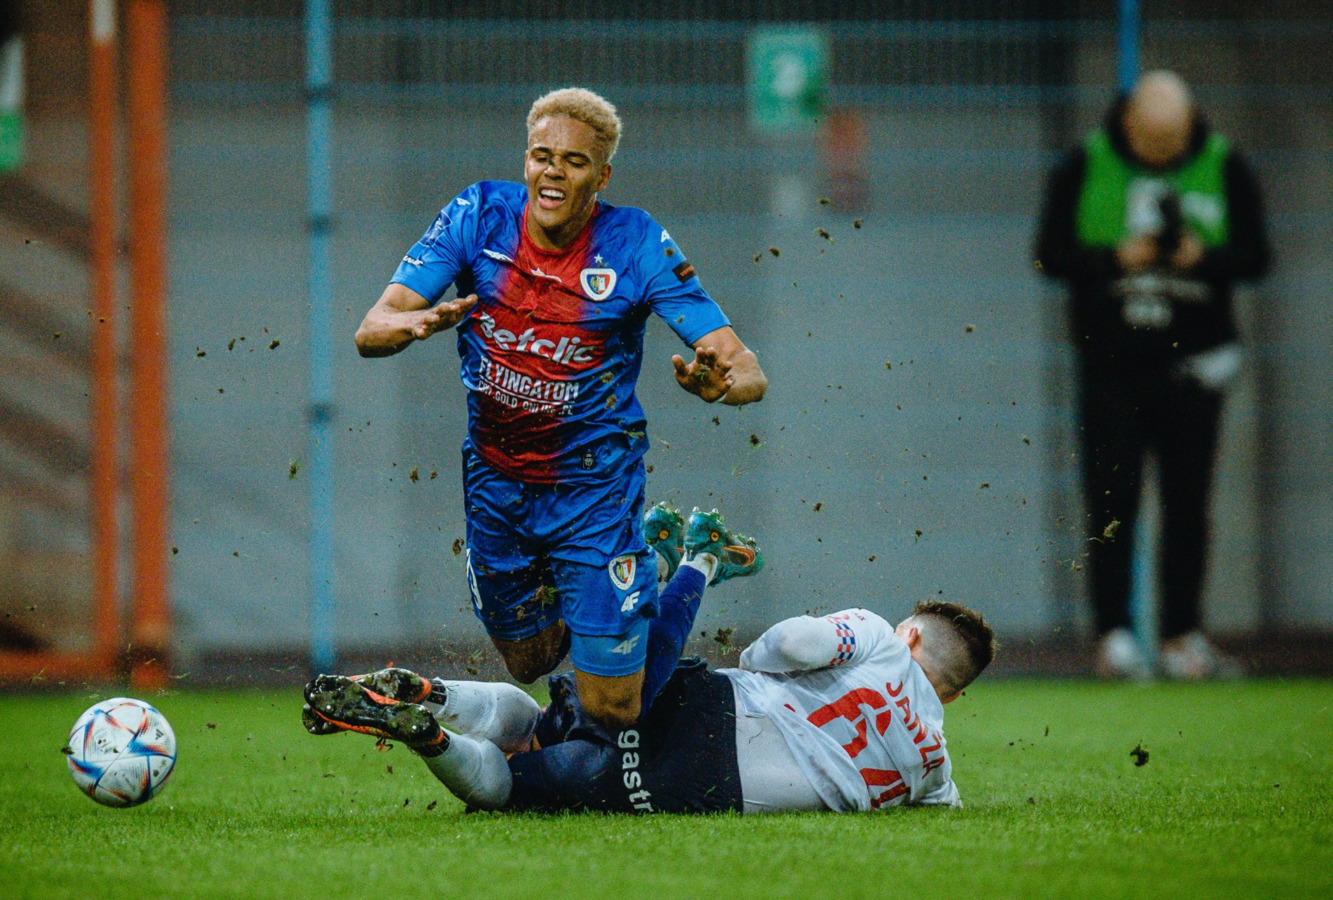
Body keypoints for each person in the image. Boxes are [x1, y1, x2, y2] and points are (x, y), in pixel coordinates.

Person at [353, 87, 767, 729]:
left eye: (574, 162)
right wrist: (412, 324)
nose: (553, 172)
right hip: (495, 481)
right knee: (532, 660)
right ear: (526, 160)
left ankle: (692, 562)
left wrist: (723, 383)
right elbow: (371, 329)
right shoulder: (479, 214)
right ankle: (636, 570)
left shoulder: (635, 243)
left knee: (613, 710)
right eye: (542, 156)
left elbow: (746, 369)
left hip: (594, 490)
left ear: (601, 177)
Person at [302, 505, 996, 815]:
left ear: (911, 637)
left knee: (547, 716)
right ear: (953, 696)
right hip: (703, 788)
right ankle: (428, 736)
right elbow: (949, 806)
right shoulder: (935, 768)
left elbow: (793, 647)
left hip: (716, 708)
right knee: (511, 784)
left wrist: (755, 660)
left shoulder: (880, 638)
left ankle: (687, 564)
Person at [1034, 70, 1270, 680]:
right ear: (1128, 121)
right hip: (1110, 367)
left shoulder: (1224, 164)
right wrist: (1117, 257)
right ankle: (1114, 635)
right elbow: (1048, 254)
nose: (1164, 156)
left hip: (1194, 368)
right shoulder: (1083, 165)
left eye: (1174, 143)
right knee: (1111, 501)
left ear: (1191, 124)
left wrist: (1204, 258)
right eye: (1152, 143)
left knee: (1189, 504)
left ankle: (1181, 635)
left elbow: (1257, 256)